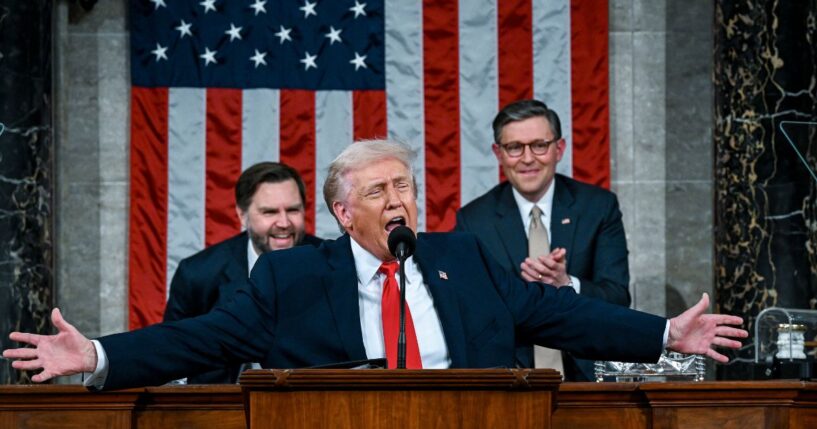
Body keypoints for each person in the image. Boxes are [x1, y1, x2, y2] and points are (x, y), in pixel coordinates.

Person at [3, 140, 746, 391]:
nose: (399, 200)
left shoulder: (464, 257)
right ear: (341, 212)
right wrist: (97, 353)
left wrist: (660, 335)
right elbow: (197, 339)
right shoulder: (292, 278)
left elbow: (561, 314)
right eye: (379, 190)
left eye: (406, 186)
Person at [455, 99, 628, 380]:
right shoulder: (473, 220)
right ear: (498, 153)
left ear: (559, 149)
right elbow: (467, 311)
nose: (527, 158)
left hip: (587, 376)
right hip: (509, 378)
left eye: (539, 145)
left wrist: (566, 284)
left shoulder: (598, 207)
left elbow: (618, 297)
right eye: (514, 147)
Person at [163, 162, 323, 384]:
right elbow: (172, 353)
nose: (284, 223)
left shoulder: (332, 264)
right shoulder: (198, 274)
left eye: (293, 210)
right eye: (270, 212)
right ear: (242, 215)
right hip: (222, 407)